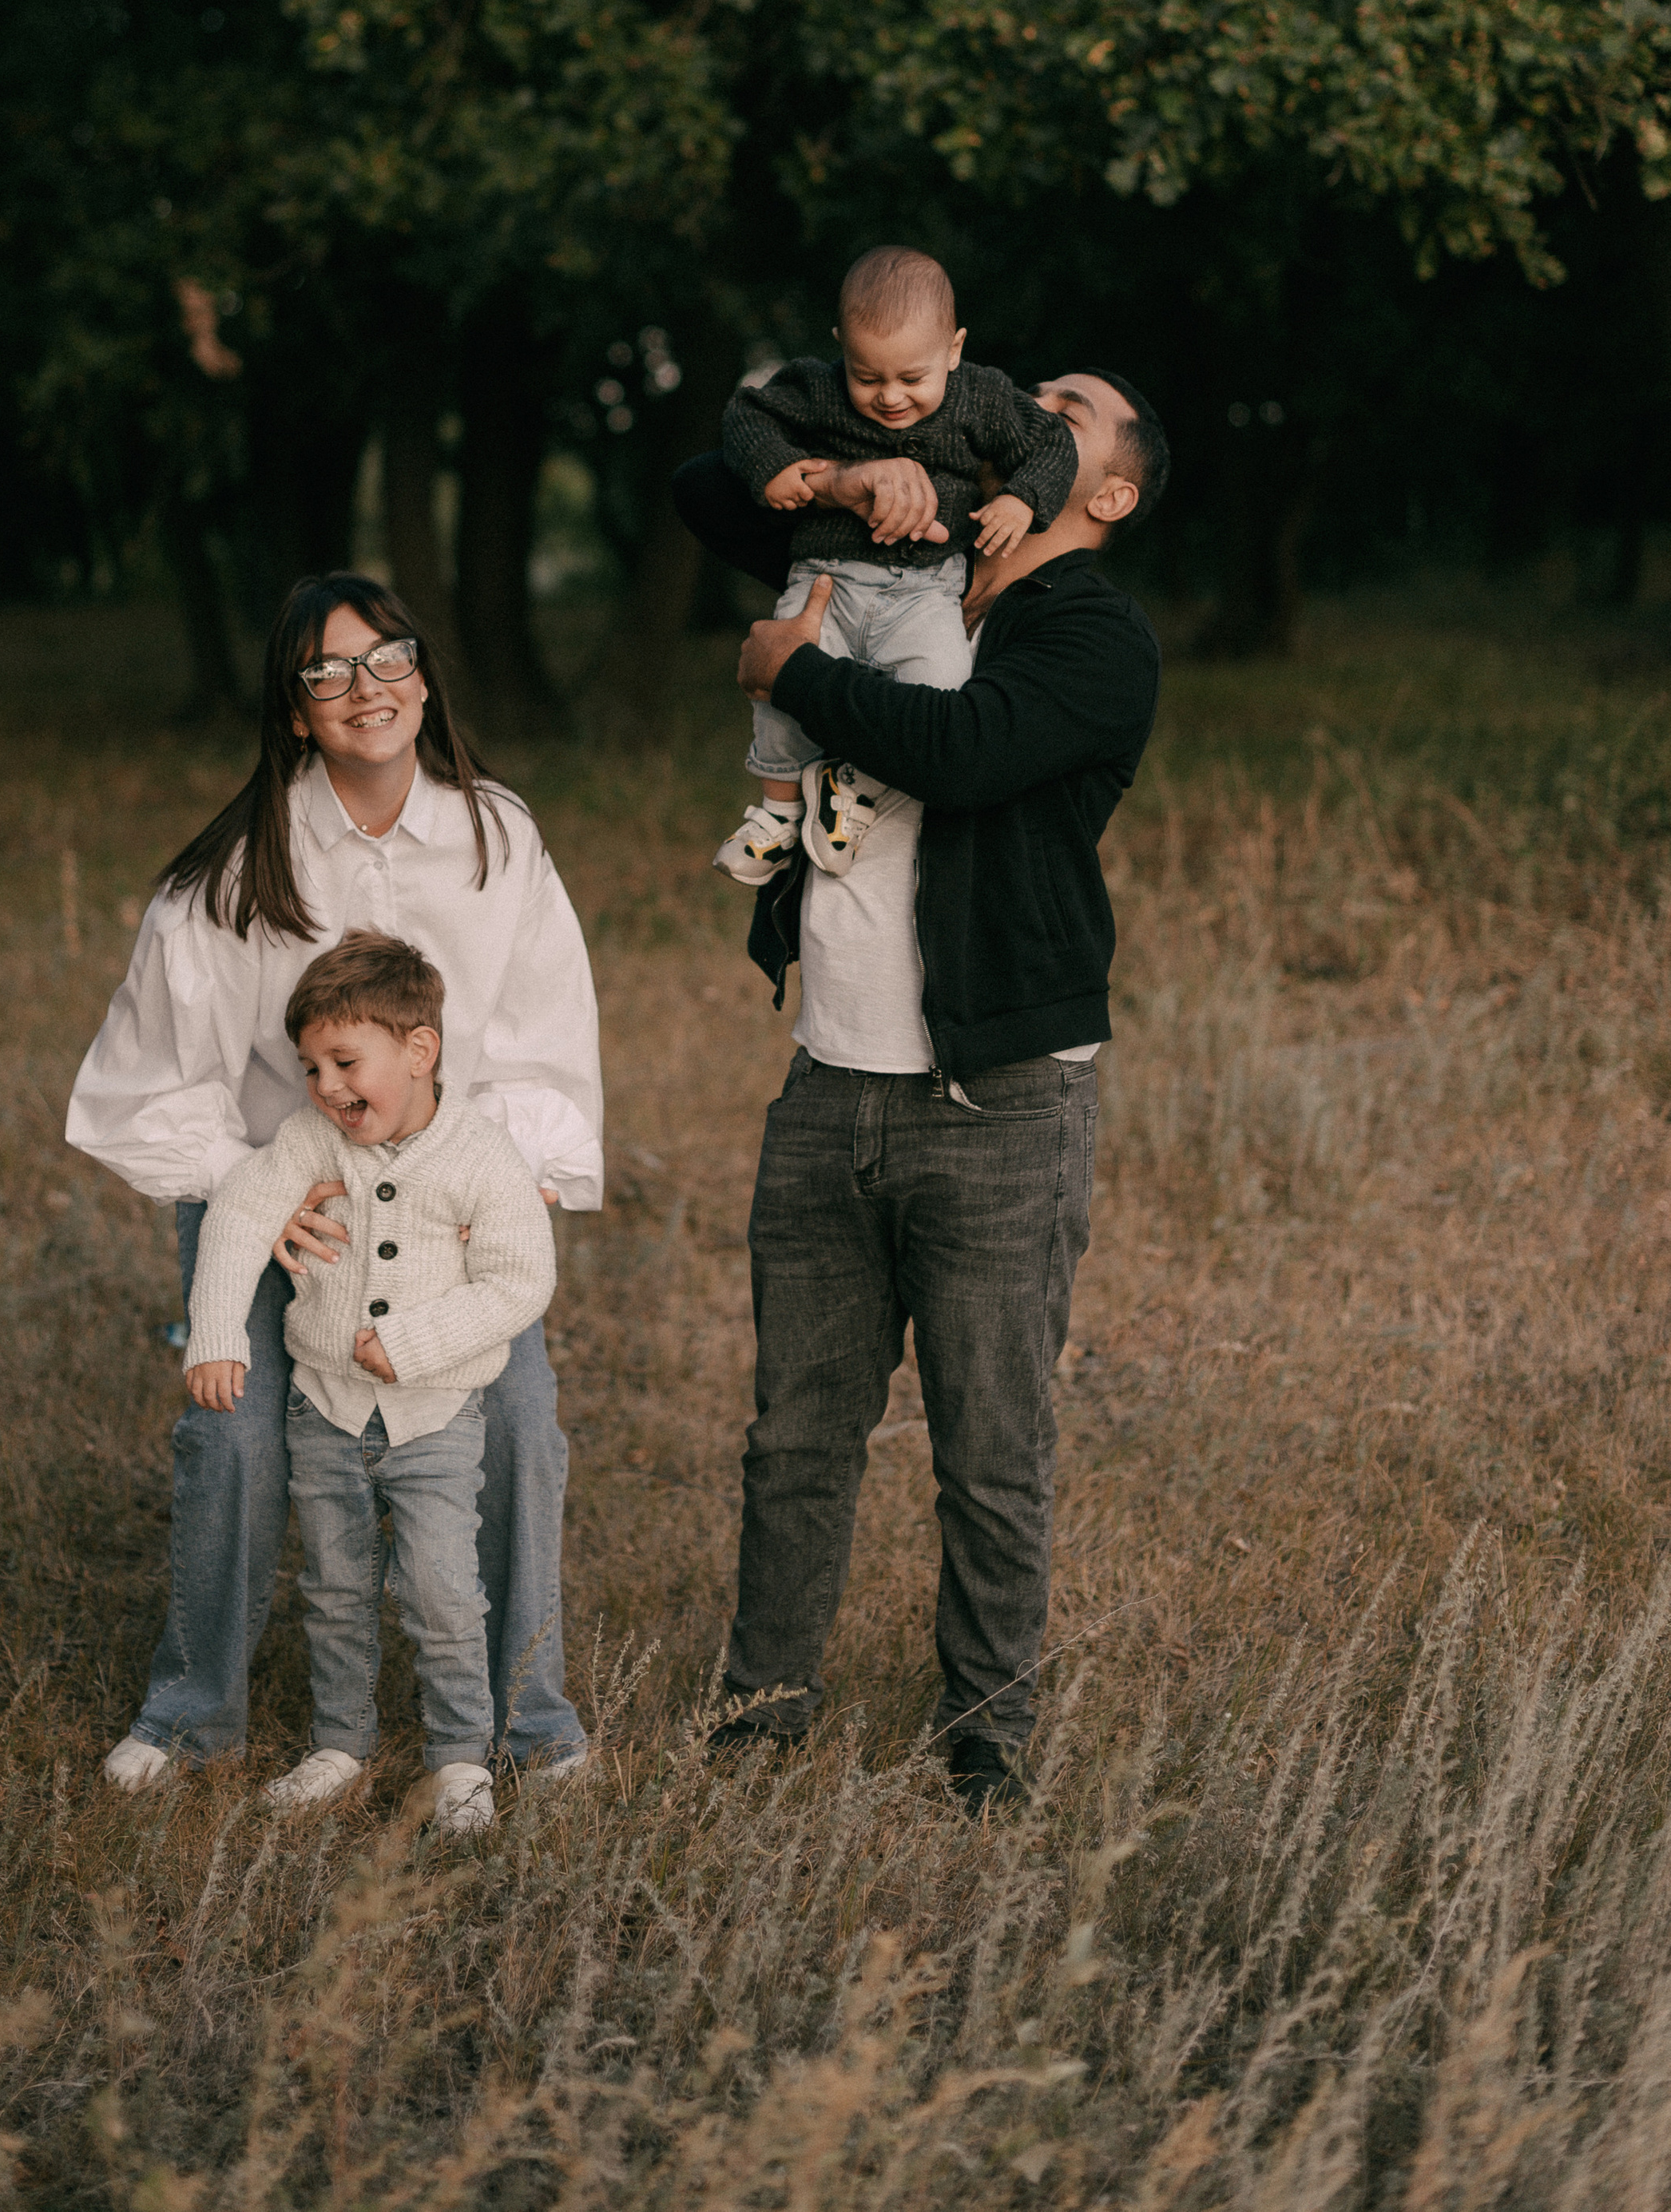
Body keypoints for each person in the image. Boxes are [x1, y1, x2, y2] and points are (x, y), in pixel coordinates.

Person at [673, 371, 1167, 1815]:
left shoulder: (1089, 630)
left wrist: (788, 672)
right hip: (830, 1081)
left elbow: (966, 753)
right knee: (796, 1432)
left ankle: (989, 1738)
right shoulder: (896, 553)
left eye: (1063, 406)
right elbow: (709, 480)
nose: (1021, 406)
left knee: (991, 1441)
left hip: (1000, 1103)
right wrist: (847, 476)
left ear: (1111, 488)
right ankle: (761, 1715)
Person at [66, 573, 602, 1790]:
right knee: (237, 1429)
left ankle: (530, 1717)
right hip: (285, 1201)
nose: (367, 688)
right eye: (329, 672)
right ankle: (195, 1709)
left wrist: (498, 1178)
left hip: (449, 1199)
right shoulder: (235, 869)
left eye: (388, 657)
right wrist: (256, 1188)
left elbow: (541, 1032)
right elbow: (145, 1084)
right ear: (294, 711)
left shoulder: (495, 835)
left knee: (518, 1414)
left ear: (424, 671)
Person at [184, 933, 556, 1837]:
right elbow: (236, 1217)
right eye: (311, 1068)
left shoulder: (480, 1156)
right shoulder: (309, 1139)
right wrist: (216, 1332)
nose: (325, 1088)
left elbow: (520, 1280)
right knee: (337, 1585)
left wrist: (416, 1340)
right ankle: (339, 1743)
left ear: (419, 1050)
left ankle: (461, 1757)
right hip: (325, 1410)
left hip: (432, 1416)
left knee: (440, 1590)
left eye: (345, 1062)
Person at [714, 246, 1075, 886]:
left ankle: (850, 781)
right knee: (779, 678)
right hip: (825, 577)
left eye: (913, 378)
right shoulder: (817, 389)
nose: (889, 398)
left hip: (926, 594)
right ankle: (774, 815)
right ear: (840, 349)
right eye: (868, 377)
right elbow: (749, 414)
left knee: (941, 690)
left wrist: (1024, 498)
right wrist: (774, 467)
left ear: (955, 349)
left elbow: (1051, 441)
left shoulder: (983, 398)